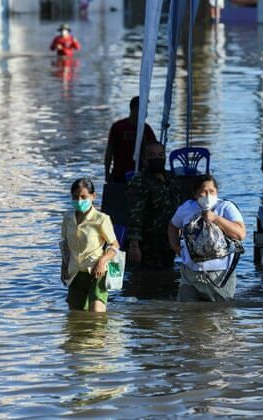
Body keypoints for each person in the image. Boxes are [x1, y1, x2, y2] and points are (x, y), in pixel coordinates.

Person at [168, 175, 246, 302]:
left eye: (212, 191)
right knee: (187, 314)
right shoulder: (187, 207)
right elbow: (172, 225)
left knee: (219, 314)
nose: (208, 195)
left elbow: (240, 234)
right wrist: (175, 246)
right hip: (190, 272)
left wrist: (216, 219)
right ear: (195, 193)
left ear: (217, 192)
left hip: (219, 274)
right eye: (204, 192)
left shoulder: (226, 207)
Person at [61, 178, 119, 312]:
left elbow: (114, 246)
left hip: (96, 272)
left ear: (93, 196)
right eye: (75, 197)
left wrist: (102, 261)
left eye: (83, 197)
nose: (79, 201)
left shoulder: (101, 219)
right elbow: (65, 245)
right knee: (75, 319)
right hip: (75, 272)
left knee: (97, 317)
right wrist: (64, 266)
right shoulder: (68, 218)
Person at [126, 142, 183, 269]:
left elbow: (180, 207)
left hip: (170, 240)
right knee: (148, 277)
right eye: (152, 155)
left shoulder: (171, 178)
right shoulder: (139, 182)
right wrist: (134, 244)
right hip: (148, 242)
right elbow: (135, 215)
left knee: (169, 277)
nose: (157, 158)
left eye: (161, 155)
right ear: (144, 160)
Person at [104, 96, 158, 183]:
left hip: (141, 175)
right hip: (120, 174)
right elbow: (109, 151)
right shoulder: (118, 127)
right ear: (134, 109)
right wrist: (107, 172)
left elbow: (155, 151)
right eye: (143, 109)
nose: (146, 113)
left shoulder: (146, 129)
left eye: (146, 110)